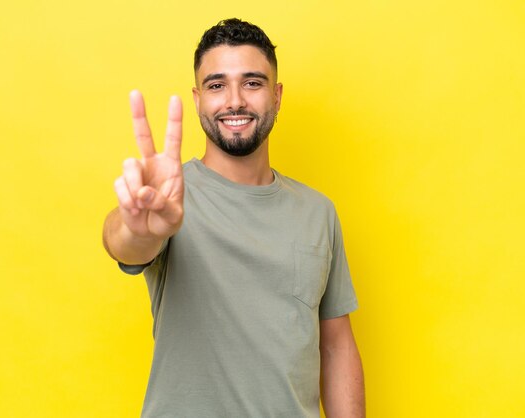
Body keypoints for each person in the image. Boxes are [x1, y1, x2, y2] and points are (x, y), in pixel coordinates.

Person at [103, 18, 365, 418]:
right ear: (197, 99)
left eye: (253, 83)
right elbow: (124, 242)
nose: (235, 101)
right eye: (216, 85)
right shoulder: (169, 200)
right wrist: (139, 230)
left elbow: (336, 345)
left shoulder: (318, 212)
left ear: (276, 96)